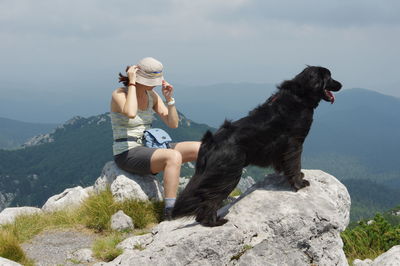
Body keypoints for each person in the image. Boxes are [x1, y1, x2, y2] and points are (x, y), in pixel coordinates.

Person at [110, 57, 200, 220]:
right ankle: (170, 211)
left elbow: (172, 123)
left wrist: (169, 99)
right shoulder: (119, 94)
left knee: (201, 148)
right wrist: (131, 84)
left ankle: (206, 197)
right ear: (137, 77)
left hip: (149, 147)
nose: (154, 84)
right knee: (174, 156)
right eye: (150, 80)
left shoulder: (152, 96)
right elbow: (130, 112)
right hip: (127, 153)